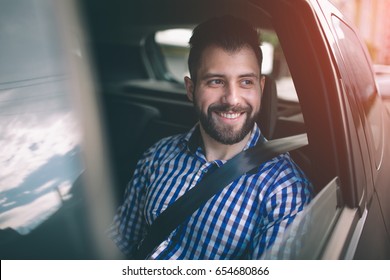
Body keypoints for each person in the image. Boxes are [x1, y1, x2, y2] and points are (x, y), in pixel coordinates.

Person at [109, 15, 312, 259]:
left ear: (261, 87)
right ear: (191, 89)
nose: (232, 99)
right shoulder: (158, 155)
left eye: (246, 82)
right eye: (216, 81)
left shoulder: (283, 190)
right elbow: (119, 242)